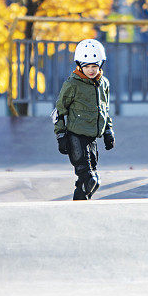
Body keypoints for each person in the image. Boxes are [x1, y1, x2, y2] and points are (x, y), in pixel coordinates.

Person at [53, 38, 115, 200]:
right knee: (89, 179)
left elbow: (104, 109)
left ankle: (80, 210)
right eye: (86, 66)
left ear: (100, 64)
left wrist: (108, 131)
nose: (91, 70)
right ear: (79, 65)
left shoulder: (103, 84)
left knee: (94, 182)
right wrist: (60, 135)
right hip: (76, 137)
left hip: (91, 138)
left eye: (94, 66)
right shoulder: (72, 84)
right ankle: (77, 209)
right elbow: (59, 111)